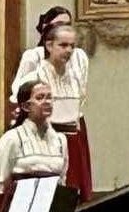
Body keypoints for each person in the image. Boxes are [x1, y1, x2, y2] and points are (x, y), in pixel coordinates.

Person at [11, 23, 93, 199]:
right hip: (46, 142)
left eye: (72, 46)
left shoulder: (75, 77)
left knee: (73, 195)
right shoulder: (35, 77)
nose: (68, 50)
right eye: (63, 45)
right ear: (49, 45)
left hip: (73, 141)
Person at [0, 81, 67, 212]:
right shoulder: (12, 138)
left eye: (49, 97)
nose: (47, 102)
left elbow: (62, 180)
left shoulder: (60, 140)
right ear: (26, 106)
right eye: (40, 97)